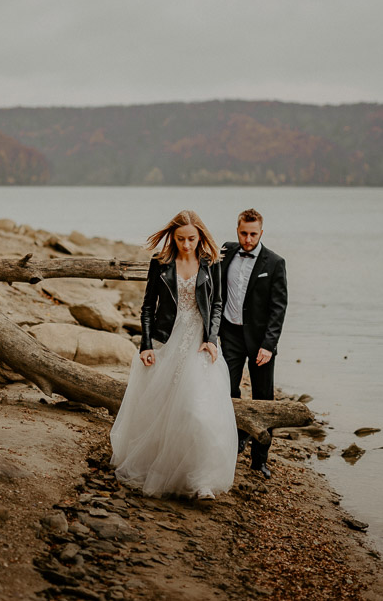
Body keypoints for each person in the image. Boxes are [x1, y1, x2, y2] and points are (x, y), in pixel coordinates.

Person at [110, 210, 236, 505]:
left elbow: (217, 304)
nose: (187, 244)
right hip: (166, 340)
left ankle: (202, 481)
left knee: (198, 411)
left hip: (199, 344)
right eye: (181, 239)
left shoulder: (212, 262)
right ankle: (162, 469)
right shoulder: (161, 262)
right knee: (162, 410)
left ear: (200, 236)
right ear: (172, 237)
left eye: (192, 239)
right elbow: (147, 306)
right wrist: (145, 345)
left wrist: (211, 339)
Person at [219, 208, 288, 479]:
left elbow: (278, 308)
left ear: (261, 233)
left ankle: (259, 460)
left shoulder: (275, 263)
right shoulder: (226, 251)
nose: (248, 240)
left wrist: (269, 345)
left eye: (253, 234)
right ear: (237, 231)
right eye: (243, 233)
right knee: (226, 388)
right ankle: (236, 435)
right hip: (231, 334)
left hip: (261, 341)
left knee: (263, 398)